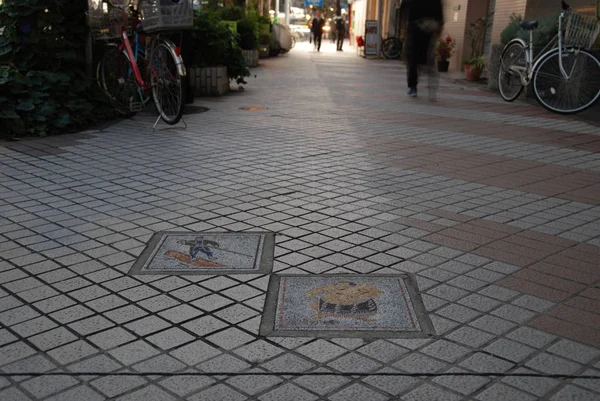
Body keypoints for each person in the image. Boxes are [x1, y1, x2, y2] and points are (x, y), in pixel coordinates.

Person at [405, 0, 444, 98]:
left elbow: (407, 8)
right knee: (427, 57)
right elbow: (439, 13)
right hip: (429, 28)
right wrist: (439, 27)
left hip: (415, 27)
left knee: (413, 58)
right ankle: (431, 87)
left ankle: (413, 87)